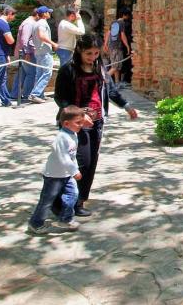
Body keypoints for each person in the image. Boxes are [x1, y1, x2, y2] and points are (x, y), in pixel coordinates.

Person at [53, 34, 138, 216]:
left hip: (97, 122)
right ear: (79, 51)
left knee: (91, 163)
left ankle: (79, 201)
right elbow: (60, 98)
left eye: (96, 53)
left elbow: (111, 90)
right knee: (79, 163)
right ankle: (62, 201)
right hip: (74, 125)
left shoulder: (99, 68)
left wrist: (127, 106)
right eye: (88, 54)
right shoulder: (68, 70)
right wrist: (78, 114)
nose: (92, 57)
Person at [28, 106, 87, 234]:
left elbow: (72, 156)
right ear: (66, 123)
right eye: (78, 123)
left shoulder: (73, 134)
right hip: (54, 175)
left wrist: (74, 168)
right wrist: (74, 171)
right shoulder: (61, 138)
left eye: (82, 122)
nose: (81, 125)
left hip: (66, 174)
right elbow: (63, 157)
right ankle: (35, 223)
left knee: (73, 194)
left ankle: (65, 219)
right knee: (47, 200)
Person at [28, 6, 58, 103]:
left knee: (40, 73)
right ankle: (35, 94)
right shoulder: (42, 23)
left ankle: (39, 94)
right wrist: (53, 43)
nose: (49, 14)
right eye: (48, 12)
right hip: (44, 52)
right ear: (44, 14)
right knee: (47, 73)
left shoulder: (36, 23)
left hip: (38, 51)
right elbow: (41, 36)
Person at [12, 9, 40, 107]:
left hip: (23, 53)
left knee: (22, 73)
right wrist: (27, 52)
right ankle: (26, 95)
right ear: (37, 14)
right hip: (27, 53)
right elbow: (24, 40)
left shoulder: (28, 22)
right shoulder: (29, 24)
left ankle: (15, 94)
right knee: (31, 74)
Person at [104, 9, 132, 86]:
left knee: (115, 65)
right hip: (117, 47)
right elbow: (122, 35)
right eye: (128, 15)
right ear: (124, 15)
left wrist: (105, 44)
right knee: (116, 66)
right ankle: (103, 79)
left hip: (111, 47)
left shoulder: (113, 22)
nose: (128, 17)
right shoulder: (122, 23)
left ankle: (117, 83)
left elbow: (108, 33)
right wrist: (127, 46)